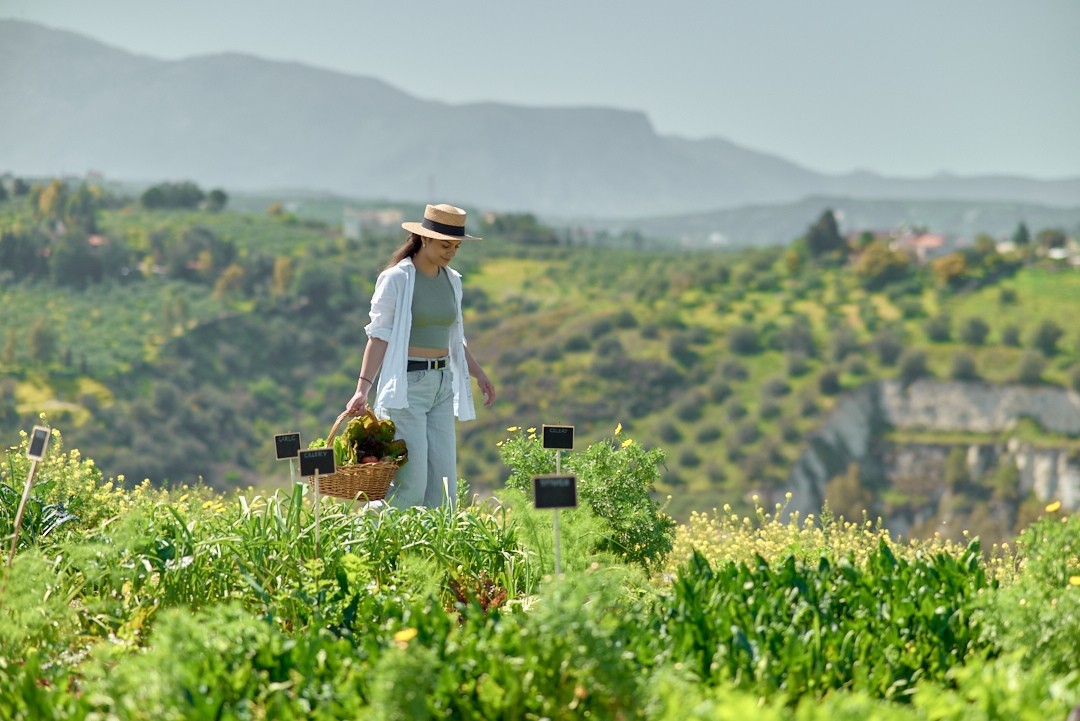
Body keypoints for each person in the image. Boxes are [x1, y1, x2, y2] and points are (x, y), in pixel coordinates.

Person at [345, 203, 495, 509]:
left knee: (444, 489)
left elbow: (454, 337)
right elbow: (378, 335)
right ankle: (365, 539)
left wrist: (478, 373)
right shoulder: (397, 279)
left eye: (455, 246)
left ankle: (428, 554)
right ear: (424, 238)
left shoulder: (452, 279)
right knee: (412, 486)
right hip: (408, 386)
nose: (450, 252)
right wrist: (363, 388)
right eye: (444, 245)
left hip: (442, 383)